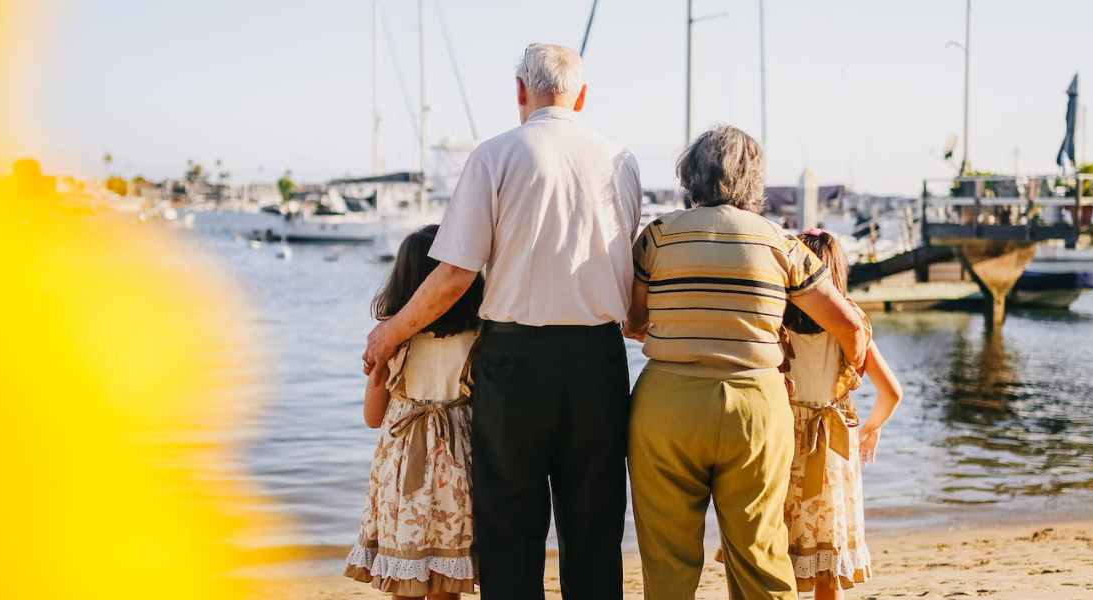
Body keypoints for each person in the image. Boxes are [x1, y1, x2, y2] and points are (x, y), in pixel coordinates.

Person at [361, 43, 641, 599]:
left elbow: (453, 276)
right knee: (594, 529)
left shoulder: (495, 155)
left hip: (515, 363)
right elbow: (628, 272)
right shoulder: (621, 160)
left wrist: (390, 331)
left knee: (510, 532)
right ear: (581, 96)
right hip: (599, 362)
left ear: (520, 91)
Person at [624, 125, 870, 600]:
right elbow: (850, 326)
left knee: (667, 560)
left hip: (666, 407)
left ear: (689, 175)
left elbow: (633, 323)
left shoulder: (655, 238)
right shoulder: (781, 244)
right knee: (759, 552)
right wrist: (846, 379)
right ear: (754, 181)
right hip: (756, 407)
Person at [345, 224, 486, 599]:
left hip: (402, 469)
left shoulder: (390, 339)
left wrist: (377, 373)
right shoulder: (481, 336)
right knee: (446, 578)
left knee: (404, 580)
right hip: (460, 466)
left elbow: (373, 418)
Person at [780, 229, 902, 597]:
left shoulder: (775, 323)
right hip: (834, 446)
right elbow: (891, 392)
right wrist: (872, 428)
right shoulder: (852, 327)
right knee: (827, 563)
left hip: (786, 441)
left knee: (776, 551)